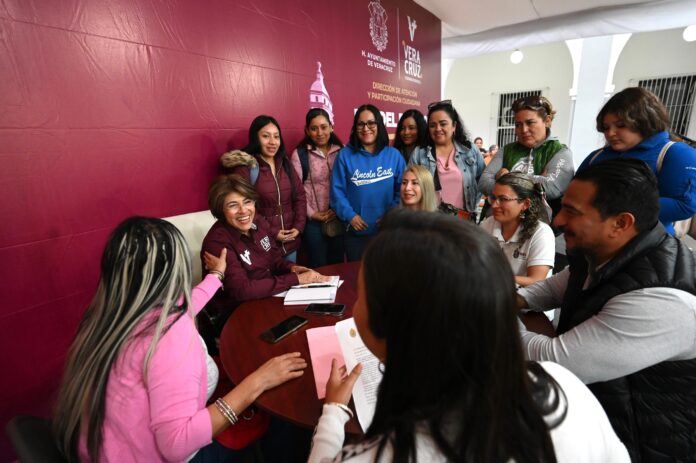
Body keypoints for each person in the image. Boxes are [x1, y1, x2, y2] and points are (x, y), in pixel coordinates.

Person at [308, 210, 628, 462]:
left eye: (361, 294)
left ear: (397, 329)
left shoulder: (378, 455)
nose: (354, 306)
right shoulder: (564, 387)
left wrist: (333, 413)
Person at [53, 217, 307, 462]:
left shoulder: (107, 315)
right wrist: (259, 381)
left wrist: (216, 276)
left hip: (104, 448)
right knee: (278, 413)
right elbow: (177, 444)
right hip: (160, 454)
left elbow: (186, 303)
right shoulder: (170, 337)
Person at [517, 158, 696, 461]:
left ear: (621, 223)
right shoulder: (603, 253)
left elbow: (556, 361)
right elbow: (550, 290)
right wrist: (509, 300)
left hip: (645, 444)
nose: (558, 220)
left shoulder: (662, 299)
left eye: (572, 212)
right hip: (603, 418)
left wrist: (490, 316)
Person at [200, 175, 329, 342]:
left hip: (267, 298)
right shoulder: (217, 242)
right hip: (235, 313)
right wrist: (296, 279)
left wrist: (291, 268)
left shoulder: (259, 222)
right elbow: (242, 290)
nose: (243, 211)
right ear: (220, 209)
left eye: (247, 202)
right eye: (233, 205)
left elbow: (274, 260)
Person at [577, 86, 696, 236]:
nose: (610, 133)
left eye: (621, 125)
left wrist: (607, 205)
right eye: (606, 128)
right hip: (591, 238)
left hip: (645, 244)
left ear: (645, 122)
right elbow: (574, 193)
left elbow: (683, 206)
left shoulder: (676, 153)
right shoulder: (597, 156)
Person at [221, 115, 306, 262]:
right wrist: (273, 232)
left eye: (276, 136)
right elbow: (245, 209)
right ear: (256, 138)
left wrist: (298, 227)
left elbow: (299, 196)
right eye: (266, 136)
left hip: (290, 244)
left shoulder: (285, 163)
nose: (272, 142)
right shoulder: (246, 168)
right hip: (262, 243)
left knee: (290, 275)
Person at [330, 104, 405, 261]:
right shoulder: (344, 155)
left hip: (387, 231)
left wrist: (390, 215)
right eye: (361, 124)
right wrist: (350, 216)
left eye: (371, 123)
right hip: (356, 234)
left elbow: (402, 191)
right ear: (355, 127)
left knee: (387, 273)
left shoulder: (394, 155)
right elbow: (337, 193)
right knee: (357, 273)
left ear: (379, 125)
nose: (366, 128)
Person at [479, 95, 574, 218]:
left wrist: (506, 178)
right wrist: (538, 180)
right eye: (518, 124)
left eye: (530, 123)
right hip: (497, 224)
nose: (523, 130)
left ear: (547, 121)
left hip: (539, 225)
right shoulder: (506, 150)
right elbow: (483, 182)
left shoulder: (560, 152)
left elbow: (551, 188)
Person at [410, 100, 485, 219]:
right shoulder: (419, 153)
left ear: (454, 126)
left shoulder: (470, 150)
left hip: (464, 221)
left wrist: (473, 205)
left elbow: (483, 181)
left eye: (443, 124)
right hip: (431, 221)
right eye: (432, 125)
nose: (438, 129)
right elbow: (411, 187)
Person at [290, 108, 344, 268]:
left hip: (338, 217)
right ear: (307, 130)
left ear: (331, 127)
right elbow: (296, 191)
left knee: (338, 264)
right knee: (318, 265)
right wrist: (312, 214)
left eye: (324, 127)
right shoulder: (300, 155)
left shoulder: (342, 151)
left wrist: (341, 210)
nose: (320, 133)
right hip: (313, 222)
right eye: (314, 128)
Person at [479, 172, 554, 287]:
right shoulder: (488, 223)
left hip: (524, 297)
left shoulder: (542, 233)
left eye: (503, 199)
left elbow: (536, 281)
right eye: (493, 198)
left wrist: (492, 278)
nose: (494, 205)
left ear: (525, 204)